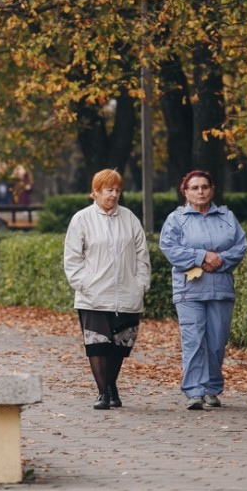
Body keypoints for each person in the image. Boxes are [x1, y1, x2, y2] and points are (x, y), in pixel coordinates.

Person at [159, 170, 247, 410]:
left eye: (204, 187)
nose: (200, 191)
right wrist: (201, 257)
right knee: (194, 340)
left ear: (212, 189)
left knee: (217, 341)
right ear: (185, 192)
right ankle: (194, 391)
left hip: (221, 289)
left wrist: (218, 260)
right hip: (189, 291)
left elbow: (240, 246)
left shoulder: (227, 217)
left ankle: (212, 389)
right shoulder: (177, 219)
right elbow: (169, 248)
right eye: (195, 188)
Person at [63, 169, 151, 410]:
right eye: (109, 190)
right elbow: (72, 258)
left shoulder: (130, 218)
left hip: (127, 294)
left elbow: (142, 254)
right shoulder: (81, 219)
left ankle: (111, 385)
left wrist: (141, 283)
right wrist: (84, 284)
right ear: (96, 192)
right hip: (93, 296)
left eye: (117, 190)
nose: (114, 195)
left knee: (119, 346)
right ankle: (103, 392)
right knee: (98, 345)